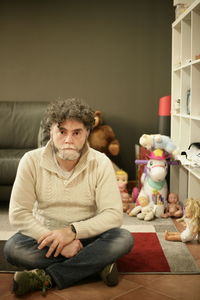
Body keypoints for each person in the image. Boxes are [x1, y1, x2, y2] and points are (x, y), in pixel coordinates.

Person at [4, 98, 133, 297]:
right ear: (51, 131)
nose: (68, 140)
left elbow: (114, 215)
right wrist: (58, 241)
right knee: (13, 248)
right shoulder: (31, 161)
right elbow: (18, 214)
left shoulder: (101, 163)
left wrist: (72, 232)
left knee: (122, 239)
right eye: (62, 131)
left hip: (87, 236)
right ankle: (95, 266)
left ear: (87, 133)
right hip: (45, 235)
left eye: (76, 132)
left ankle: (48, 277)